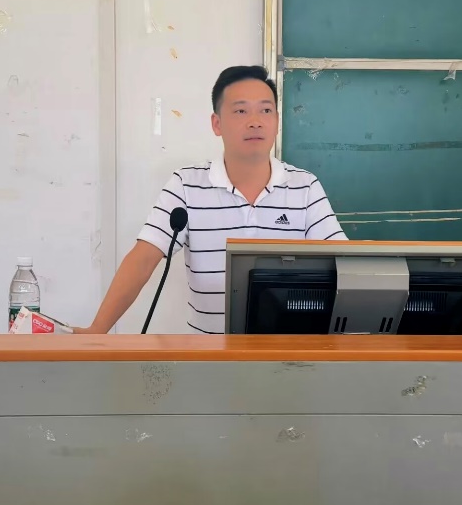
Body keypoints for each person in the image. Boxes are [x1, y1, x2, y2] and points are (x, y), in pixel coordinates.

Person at [75, 65, 347, 335]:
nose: (255, 121)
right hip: (208, 353)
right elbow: (143, 259)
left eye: (265, 111)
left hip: (289, 351)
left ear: (276, 121)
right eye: (241, 111)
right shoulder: (186, 184)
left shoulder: (305, 187)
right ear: (217, 124)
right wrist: (98, 329)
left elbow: (346, 266)